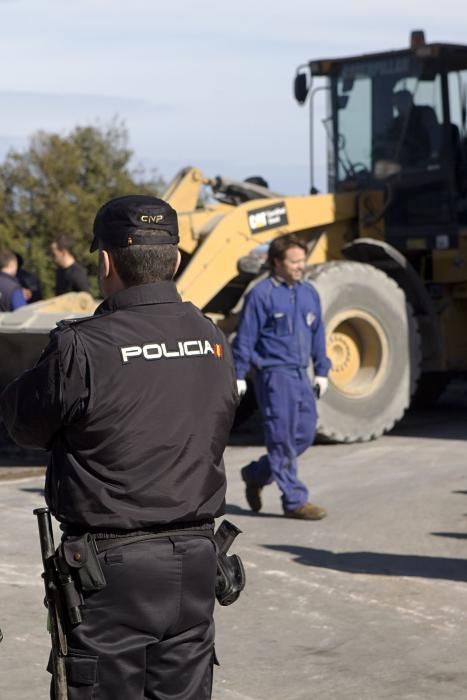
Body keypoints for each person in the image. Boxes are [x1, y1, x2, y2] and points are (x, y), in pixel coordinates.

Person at [0, 195, 238, 699]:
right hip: (195, 563)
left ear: (105, 262)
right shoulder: (212, 339)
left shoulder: (83, 347)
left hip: (111, 575)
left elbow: (22, 423)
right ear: (173, 259)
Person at [232, 234, 331, 520]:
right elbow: (245, 338)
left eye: (303, 260)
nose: (301, 265)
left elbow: (318, 335)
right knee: (281, 438)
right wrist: (239, 374)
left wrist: (322, 370)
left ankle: (256, 473)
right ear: (276, 262)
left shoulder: (308, 292)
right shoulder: (261, 294)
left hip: (301, 374)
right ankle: (295, 500)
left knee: (304, 434)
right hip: (274, 376)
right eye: (294, 261)